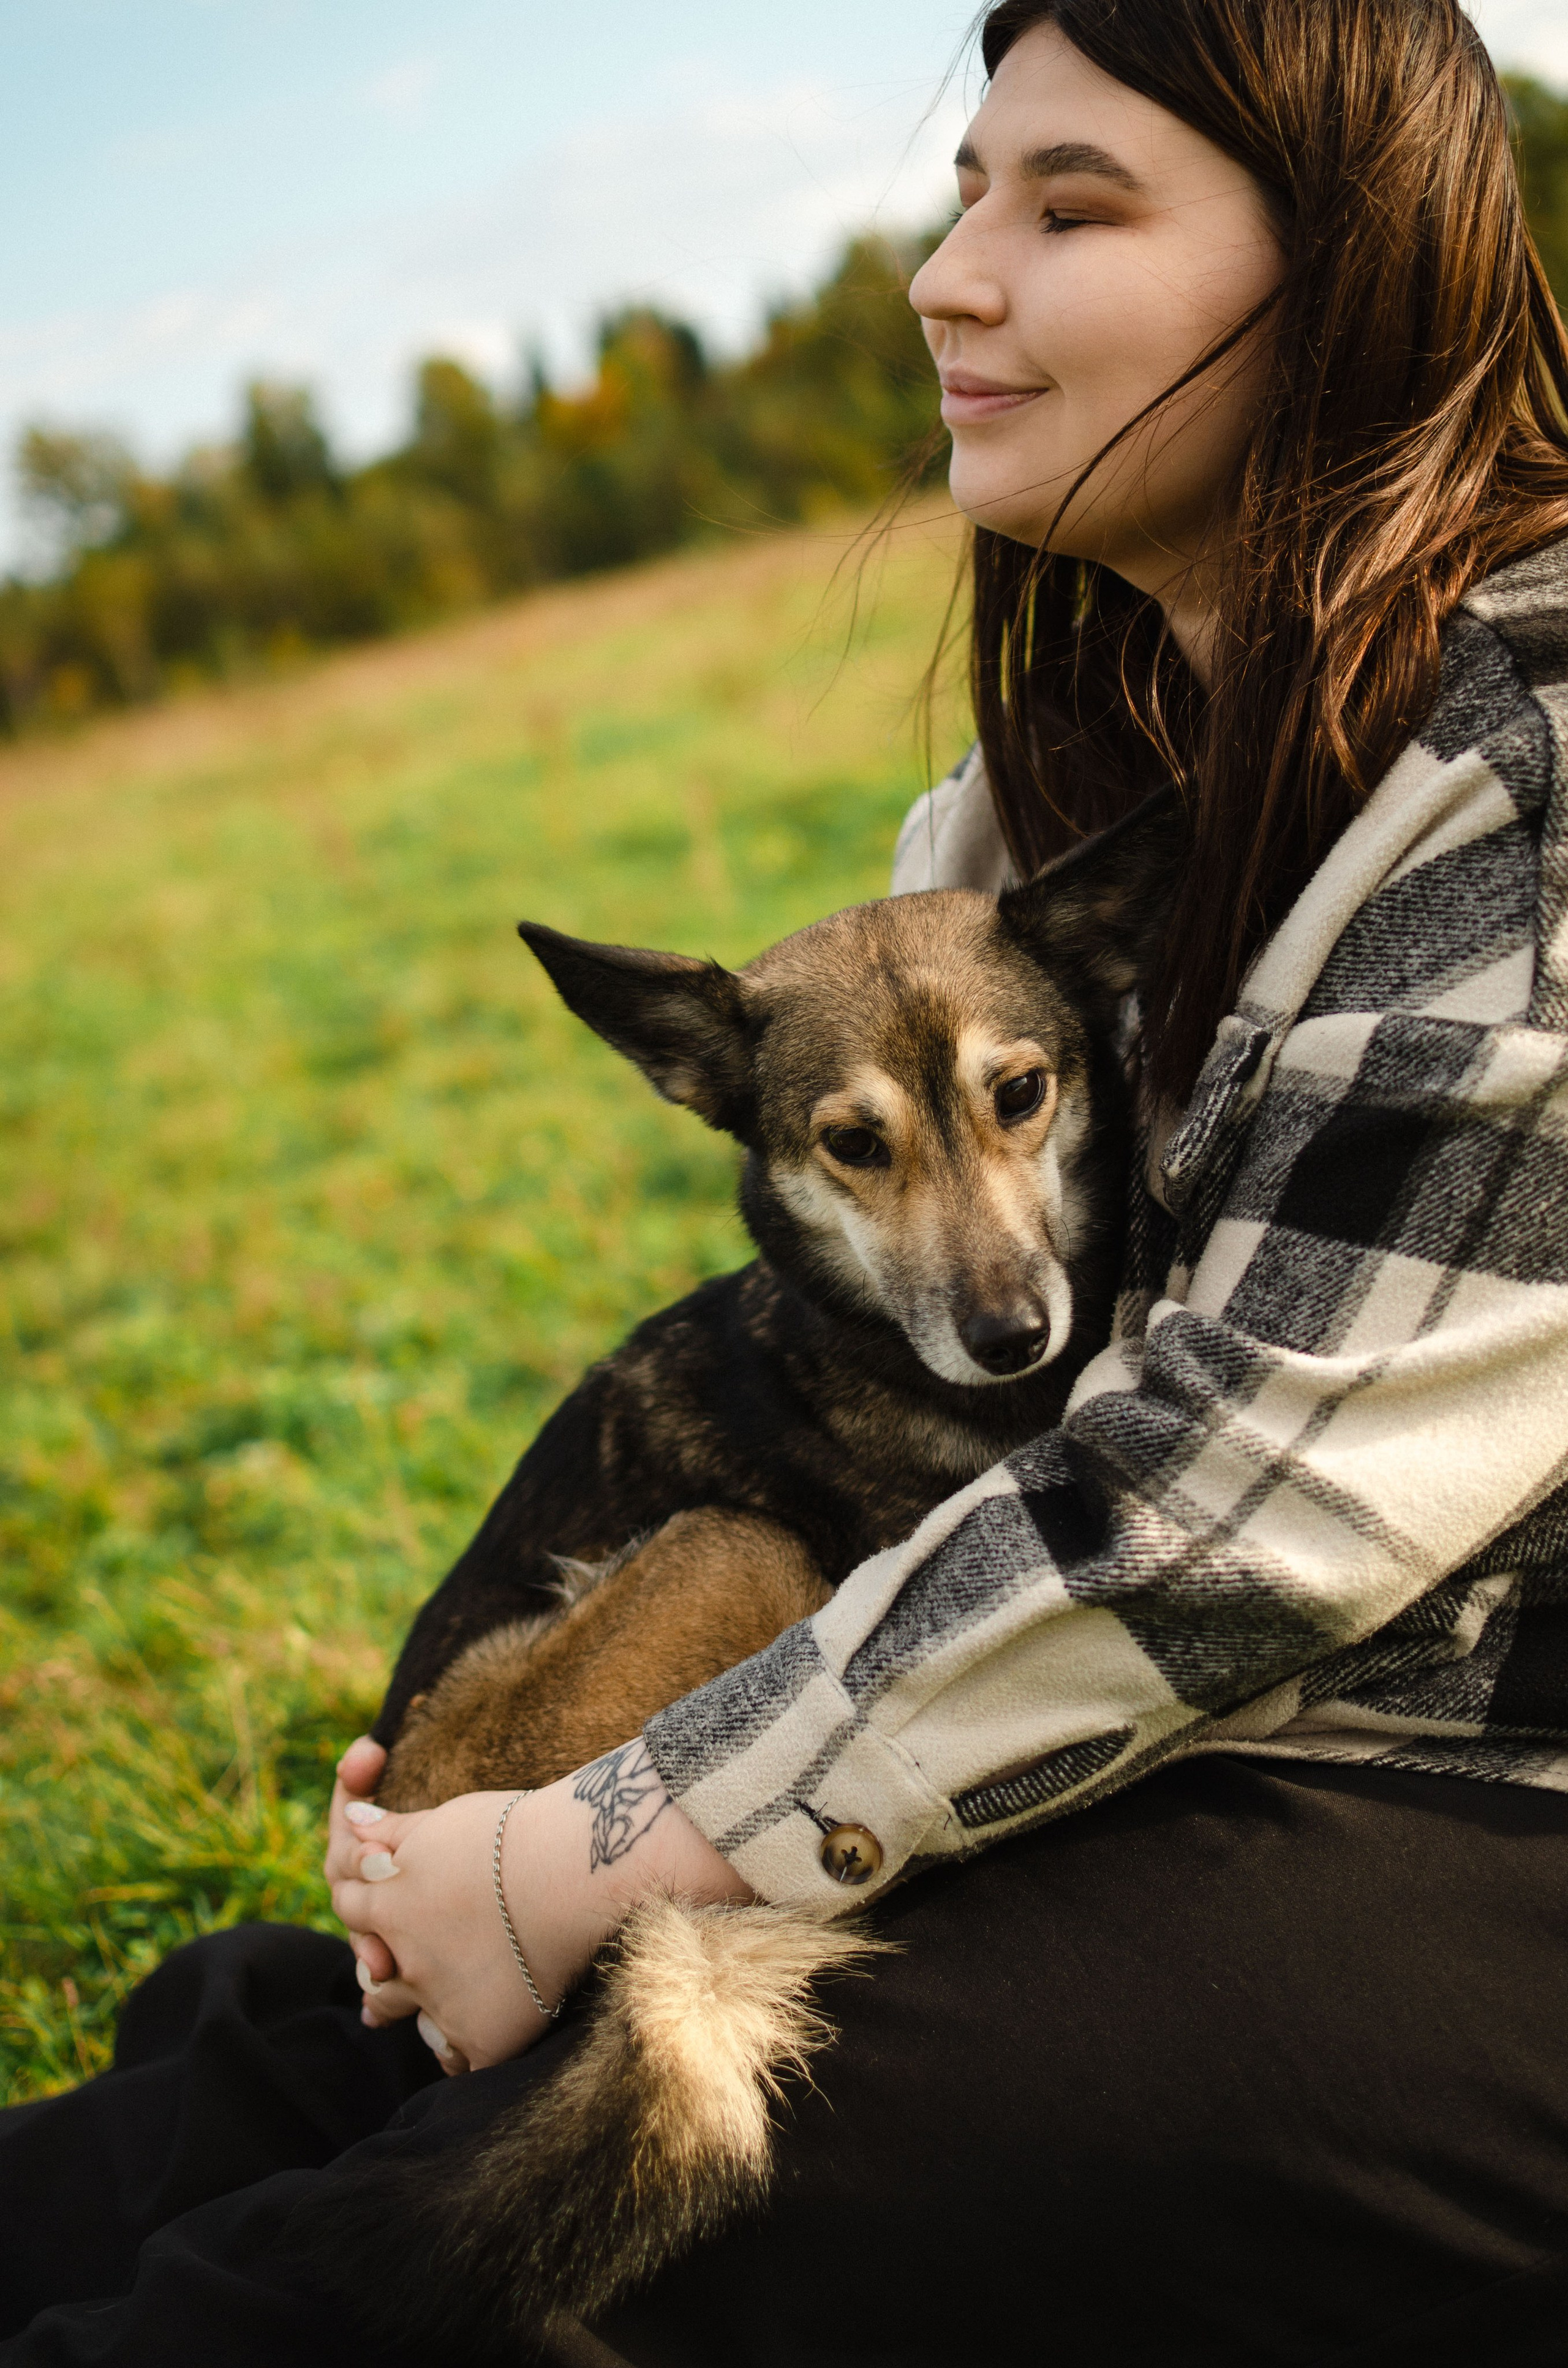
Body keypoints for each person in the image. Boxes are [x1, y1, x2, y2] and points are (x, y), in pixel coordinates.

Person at [5, 0, 1568, 2359]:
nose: (951, 274)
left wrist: (583, 1840)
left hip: (1461, 1803)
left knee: (600, 2179)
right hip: (1179, 1713)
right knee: (301, 2040)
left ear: (1350, 265)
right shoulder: (1042, 799)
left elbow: (1249, 1516)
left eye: (1070, 204)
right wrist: (495, 1842)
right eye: (966, 195)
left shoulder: (1533, 764)